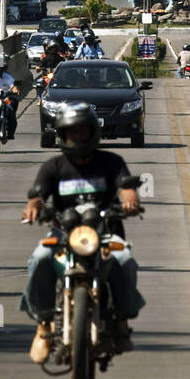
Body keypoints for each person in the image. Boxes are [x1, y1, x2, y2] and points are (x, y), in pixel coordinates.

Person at [21, 102, 144, 362]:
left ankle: (121, 322)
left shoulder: (112, 162)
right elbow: (37, 195)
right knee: (40, 259)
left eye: (82, 131)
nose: (77, 136)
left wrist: (130, 198)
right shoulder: (53, 167)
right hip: (64, 237)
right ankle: (43, 326)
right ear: (63, 134)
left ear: (92, 133)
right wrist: (33, 207)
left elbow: (125, 185)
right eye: (71, 131)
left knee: (125, 261)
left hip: (105, 234)